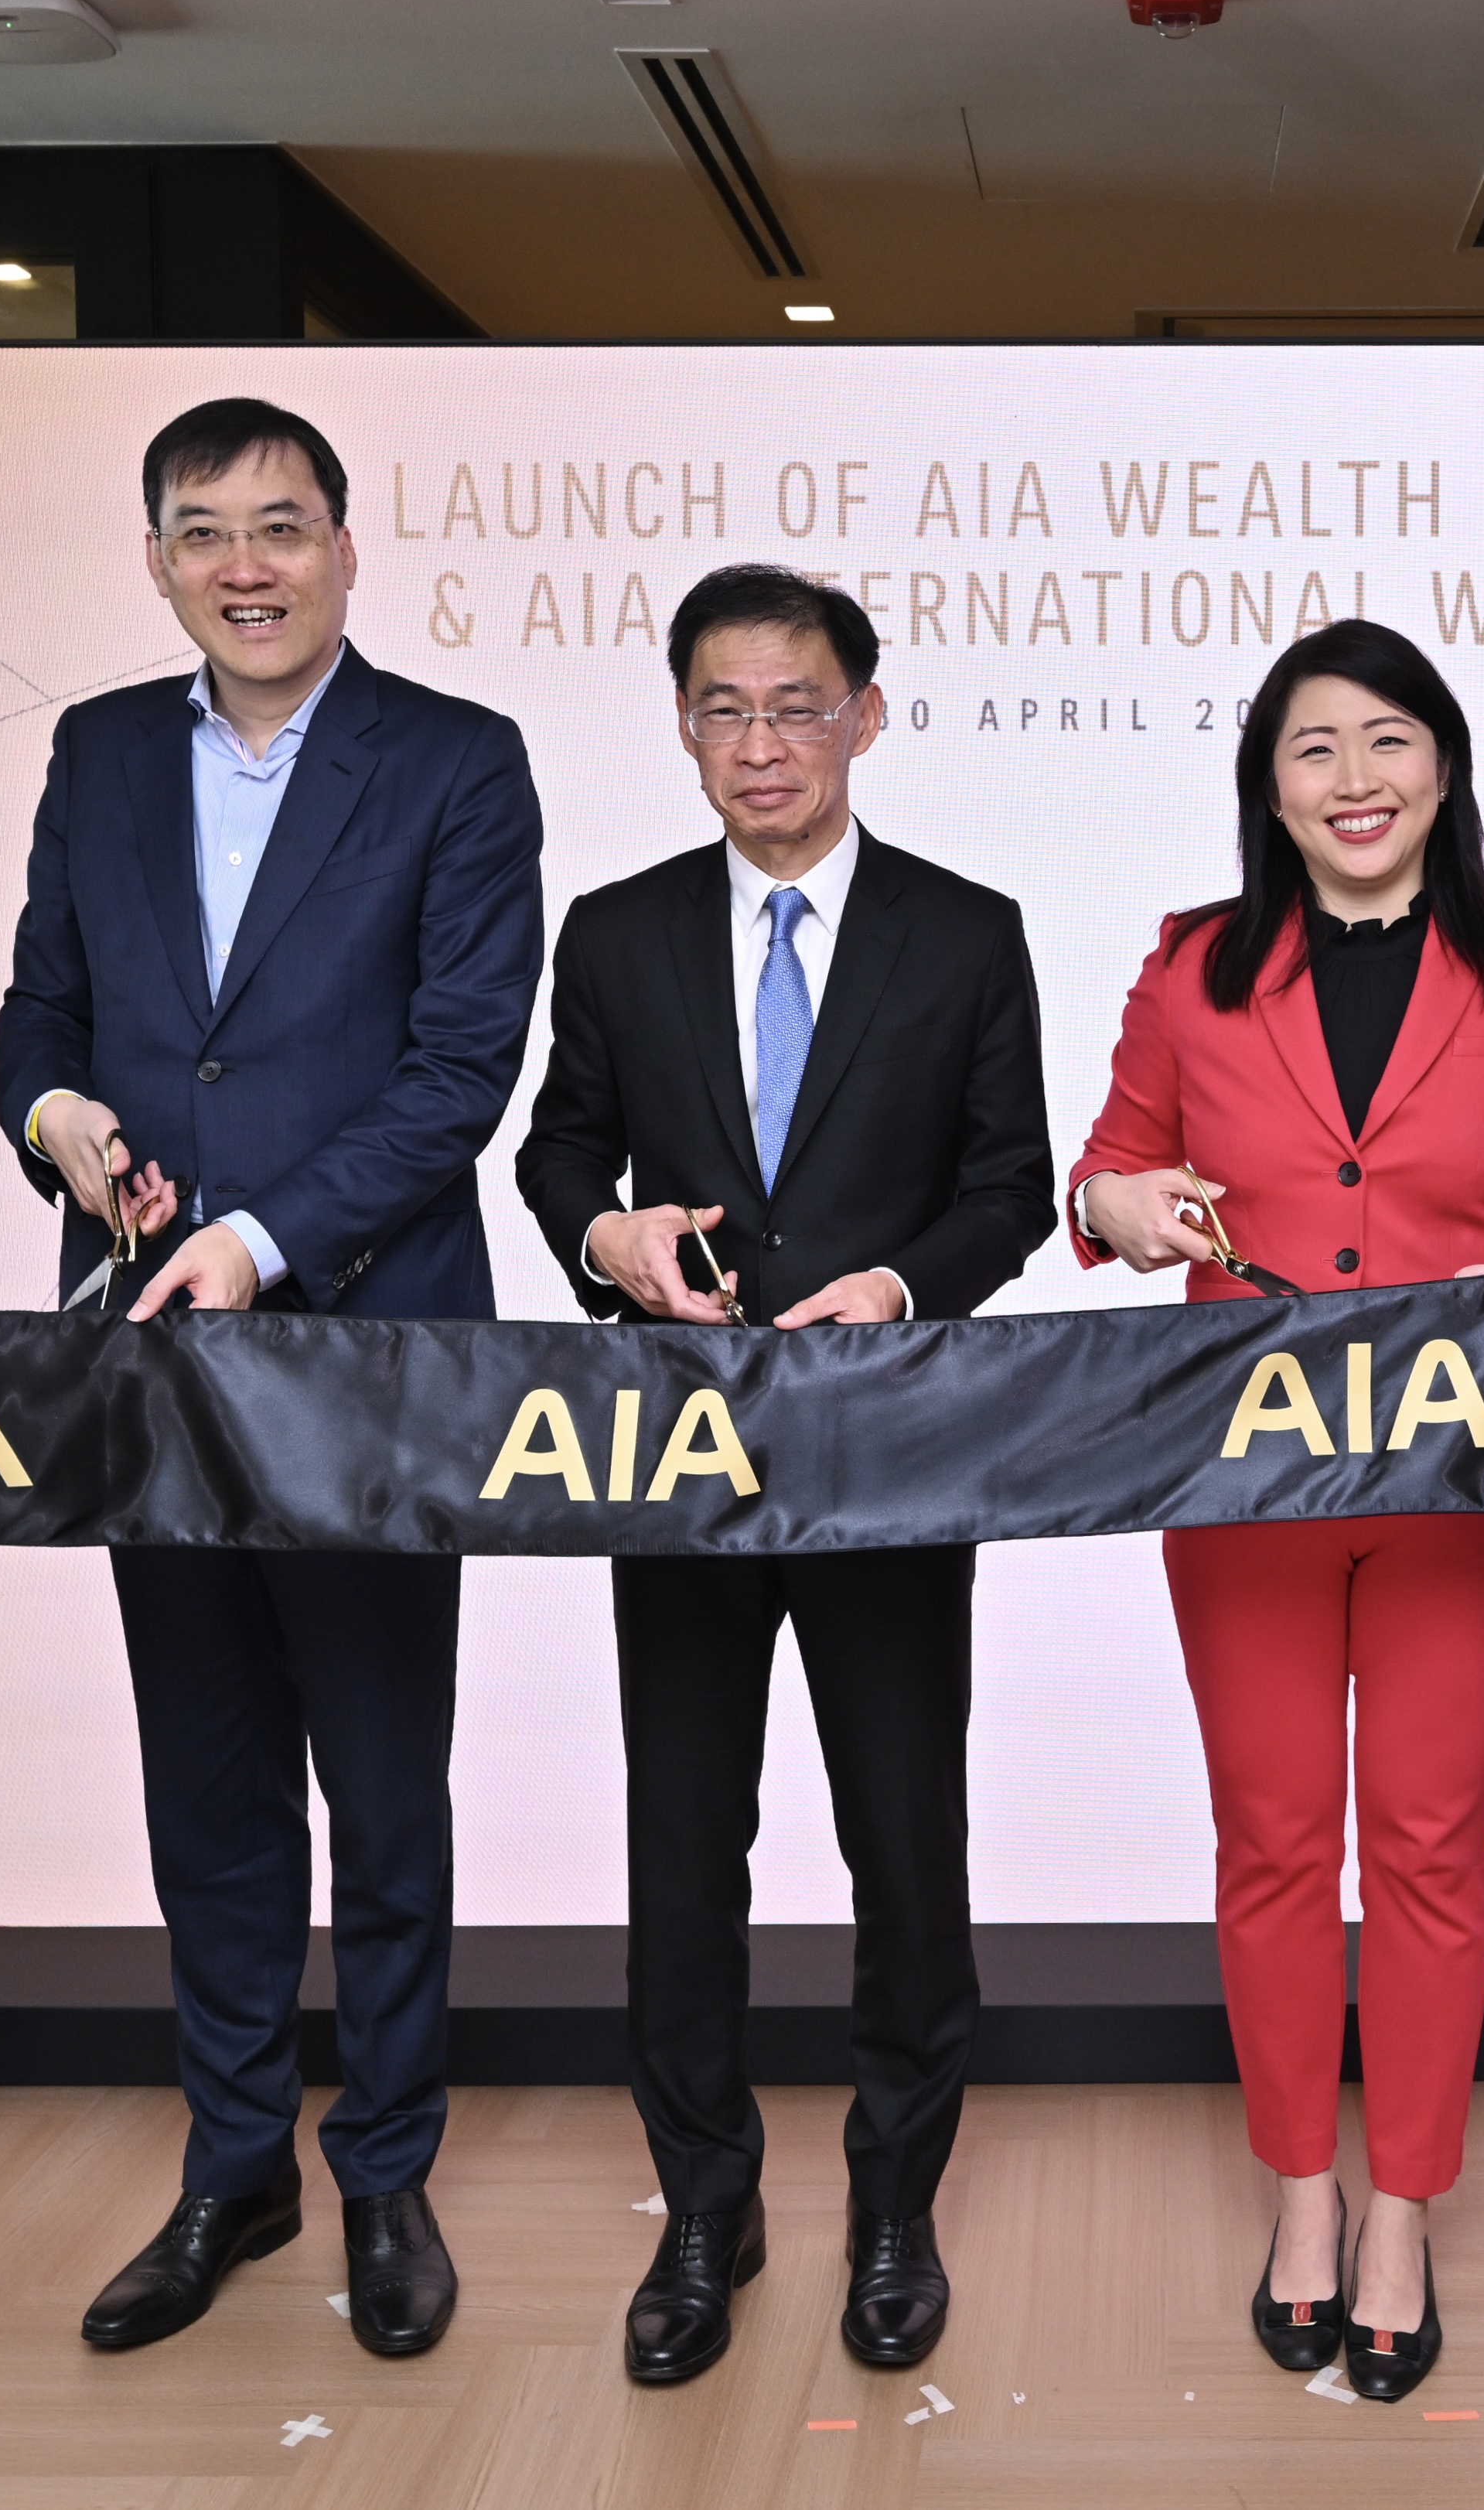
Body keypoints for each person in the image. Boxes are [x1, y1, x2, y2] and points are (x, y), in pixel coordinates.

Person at [0, 397, 545, 2358]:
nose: (246, 562)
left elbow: (457, 1075)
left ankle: (383, 2178)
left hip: (367, 1355)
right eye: (204, 530)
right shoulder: (99, 751)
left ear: (344, 548)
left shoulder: (457, 764)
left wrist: (260, 1238)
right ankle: (231, 2165)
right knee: (208, 1782)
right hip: (149, 1356)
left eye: (282, 525)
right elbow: (38, 1012)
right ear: (155, 559)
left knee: (384, 1790)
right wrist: (59, 1117)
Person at [1070, 618, 1484, 2406]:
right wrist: (1126, 1210)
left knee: (1424, 1844)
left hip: (1456, 1473)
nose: (1353, 781)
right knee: (1268, 1844)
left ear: (1445, 767)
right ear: (1267, 784)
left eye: (1386, 742)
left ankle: (1403, 2205)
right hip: (1238, 1466)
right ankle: (1297, 2199)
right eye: (1310, 749)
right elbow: (1097, 1173)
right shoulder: (1188, 971)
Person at [513, 564, 1052, 2385]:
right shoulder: (613, 929)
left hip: (893, 1455)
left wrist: (896, 1288)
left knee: (905, 1846)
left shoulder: (966, 931)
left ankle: (893, 2205)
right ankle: (702, 2206)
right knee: (685, 1847)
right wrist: (614, 1238)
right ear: (680, 725)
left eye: (796, 705)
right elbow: (554, 1148)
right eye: (724, 710)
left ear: (865, 717)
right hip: (675, 1456)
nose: (761, 743)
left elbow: (1009, 1183)